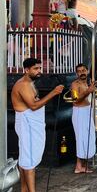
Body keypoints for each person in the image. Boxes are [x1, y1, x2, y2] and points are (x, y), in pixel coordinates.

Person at [11, 58, 64, 192]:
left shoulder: (30, 83)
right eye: (36, 69)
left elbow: (34, 101)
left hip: (31, 125)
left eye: (40, 68)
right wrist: (54, 92)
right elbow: (34, 106)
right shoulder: (22, 84)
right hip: (26, 125)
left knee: (25, 159)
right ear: (26, 70)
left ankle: (24, 189)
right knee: (28, 162)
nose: (39, 71)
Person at [71, 63, 96, 173]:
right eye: (79, 71)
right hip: (79, 113)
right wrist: (88, 91)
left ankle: (84, 165)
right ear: (77, 73)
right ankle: (78, 166)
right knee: (81, 139)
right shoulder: (75, 84)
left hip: (86, 111)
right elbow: (75, 99)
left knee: (88, 138)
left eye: (83, 70)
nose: (82, 73)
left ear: (87, 71)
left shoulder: (87, 83)